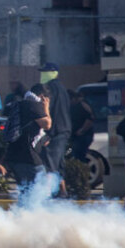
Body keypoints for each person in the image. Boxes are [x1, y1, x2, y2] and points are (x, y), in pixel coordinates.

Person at [1, 84, 52, 190]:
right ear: (42, 96)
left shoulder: (20, 104)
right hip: (28, 157)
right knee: (42, 188)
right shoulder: (34, 105)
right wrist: (46, 108)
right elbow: (47, 125)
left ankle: (23, 207)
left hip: (14, 156)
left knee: (25, 191)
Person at [40, 63, 72, 197]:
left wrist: (47, 135)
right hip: (63, 129)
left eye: (44, 72)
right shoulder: (61, 87)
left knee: (49, 163)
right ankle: (62, 192)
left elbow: (50, 110)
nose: (42, 75)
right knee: (58, 164)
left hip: (55, 131)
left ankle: (44, 195)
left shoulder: (51, 88)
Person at [69, 90, 95, 163]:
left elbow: (90, 118)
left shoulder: (83, 104)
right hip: (76, 136)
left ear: (74, 98)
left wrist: (82, 130)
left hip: (83, 136)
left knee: (79, 156)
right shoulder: (73, 106)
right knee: (76, 155)